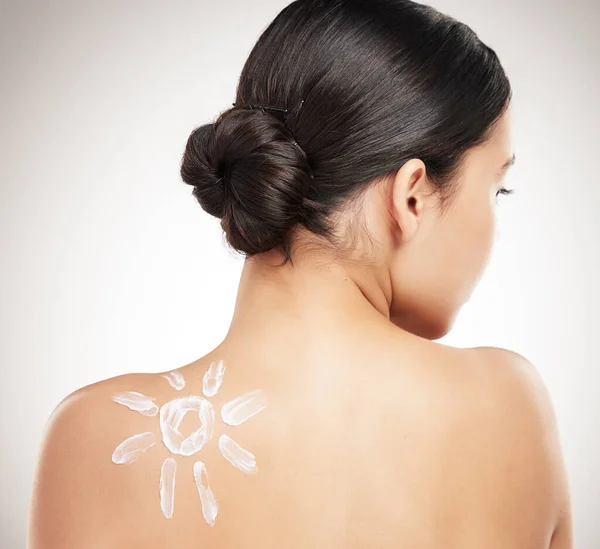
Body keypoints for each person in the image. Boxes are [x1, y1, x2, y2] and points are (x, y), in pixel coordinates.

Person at [27, 1, 573, 547]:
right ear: (412, 196)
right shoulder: (504, 405)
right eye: (495, 190)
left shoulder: (91, 436)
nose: (494, 228)